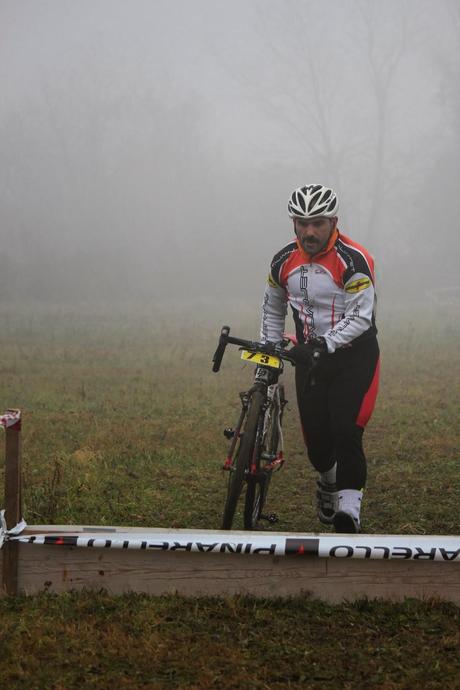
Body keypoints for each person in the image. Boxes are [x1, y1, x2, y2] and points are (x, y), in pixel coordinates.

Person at [259, 183, 379, 533]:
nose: (309, 231)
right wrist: (269, 353)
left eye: (318, 223)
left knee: (346, 430)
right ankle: (327, 482)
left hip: (355, 357)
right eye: (302, 223)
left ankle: (349, 512)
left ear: (334, 222)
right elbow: (272, 308)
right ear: (294, 223)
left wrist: (323, 344)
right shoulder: (282, 260)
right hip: (309, 359)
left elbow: (360, 318)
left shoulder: (353, 259)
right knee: (317, 446)